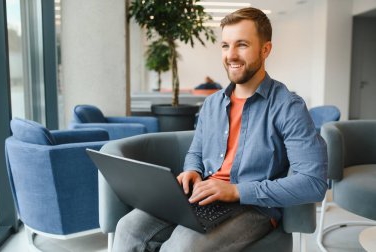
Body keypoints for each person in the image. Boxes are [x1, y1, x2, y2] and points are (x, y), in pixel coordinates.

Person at [112, 7, 328, 252]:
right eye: (225, 46)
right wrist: (192, 170)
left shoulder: (289, 107)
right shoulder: (212, 103)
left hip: (253, 207)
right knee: (128, 227)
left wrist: (236, 190)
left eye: (242, 45)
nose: (231, 55)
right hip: (205, 194)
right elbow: (196, 151)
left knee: (182, 246)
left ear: (265, 49)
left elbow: (313, 183)